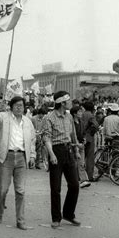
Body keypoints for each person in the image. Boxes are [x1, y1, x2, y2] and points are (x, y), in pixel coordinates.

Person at [0, 96, 36, 230]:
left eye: (21, 105)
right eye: (16, 105)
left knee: (20, 190)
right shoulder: (4, 117)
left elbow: (32, 140)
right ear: (11, 107)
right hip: (6, 157)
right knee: (3, 189)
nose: (19, 107)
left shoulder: (28, 122)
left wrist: (32, 155)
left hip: (22, 157)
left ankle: (20, 220)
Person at [42, 91, 82, 229]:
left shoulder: (69, 116)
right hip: (56, 151)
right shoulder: (49, 118)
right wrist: (51, 154)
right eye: (68, 100)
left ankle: (68, 214)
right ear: (62, 103)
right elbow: (46, 137)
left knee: (75, 185)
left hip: (69, 150)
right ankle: (56, 217)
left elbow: (73, 134)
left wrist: (76, 150)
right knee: (56, 187)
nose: (71, 102)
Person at [70, 106, 91, 188]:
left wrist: (84, 139)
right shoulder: (71, 123)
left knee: (81, 163)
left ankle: (83, 180)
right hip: (74, 145)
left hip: (81, 145)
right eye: (79, 112)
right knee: (74, 164)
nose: (81, 113)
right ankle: (77, 180)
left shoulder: (81, 122)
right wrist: (76, 144)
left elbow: (83, 133)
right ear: (74, 113)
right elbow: (71, 135)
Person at [81, 101, 98, 181]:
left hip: (81, 136)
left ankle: (80, 175)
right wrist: (91, 132)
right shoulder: (91, 115)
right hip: (89, 138)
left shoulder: (81, 114)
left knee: (81, 157)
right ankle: (89, 176)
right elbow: (96, 125)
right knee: (90, 157)